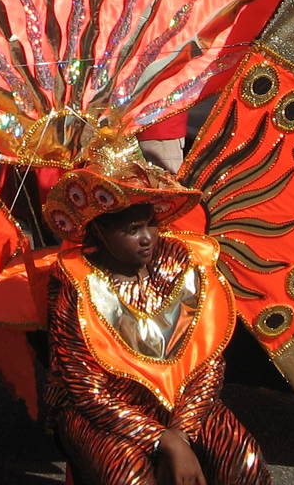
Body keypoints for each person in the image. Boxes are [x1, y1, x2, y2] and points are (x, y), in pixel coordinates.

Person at [42, 142, 270, 485]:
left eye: (149, 225)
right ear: (100, 232)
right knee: (128, 477)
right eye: (132, 230)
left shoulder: (187, 268)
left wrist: (181, 431)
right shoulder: (77, 287)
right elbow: (87, 391)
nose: (147, 238)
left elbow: (208, 363)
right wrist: (163, 440)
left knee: (243, 459)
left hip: (186, 405)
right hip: (105, 413)